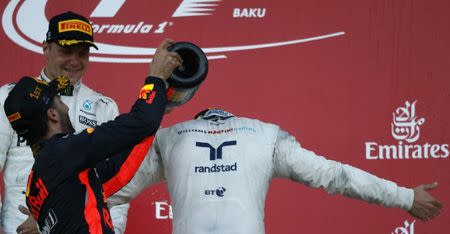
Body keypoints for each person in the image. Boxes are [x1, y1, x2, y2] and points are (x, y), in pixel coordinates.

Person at [109, 108, 443, 234]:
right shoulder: (265, 135)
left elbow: (111, 193)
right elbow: (334, 174)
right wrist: (405, 196)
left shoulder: (171, 137)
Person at [2, 34, 181, 233]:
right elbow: (141, 122)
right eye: (60, 102)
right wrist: (155, 78)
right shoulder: (64, 151)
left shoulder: (36, 184)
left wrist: (157, 107)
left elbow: (117, 171)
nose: (67, 108)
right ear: (52, 114)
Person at [0, 11, 130, 234]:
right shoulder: (10, 98)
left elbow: (117, 183)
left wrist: (113, 230)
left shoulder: (104, 106)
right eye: (66, 51)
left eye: (83, 53)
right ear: (46, 48)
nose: (75, 61)